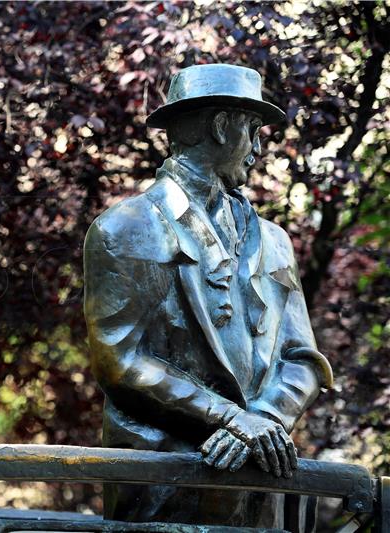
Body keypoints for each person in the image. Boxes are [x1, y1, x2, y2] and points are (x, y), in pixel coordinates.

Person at [83, 64, 333, 528]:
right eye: (253, 131)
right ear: (221, 127)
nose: (258, 150)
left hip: (259, 484)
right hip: (165, 482)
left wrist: (264, 421)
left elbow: (302, 357)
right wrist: (229, 419)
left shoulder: (274, 240)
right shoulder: (127, 228)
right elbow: (119, 361)